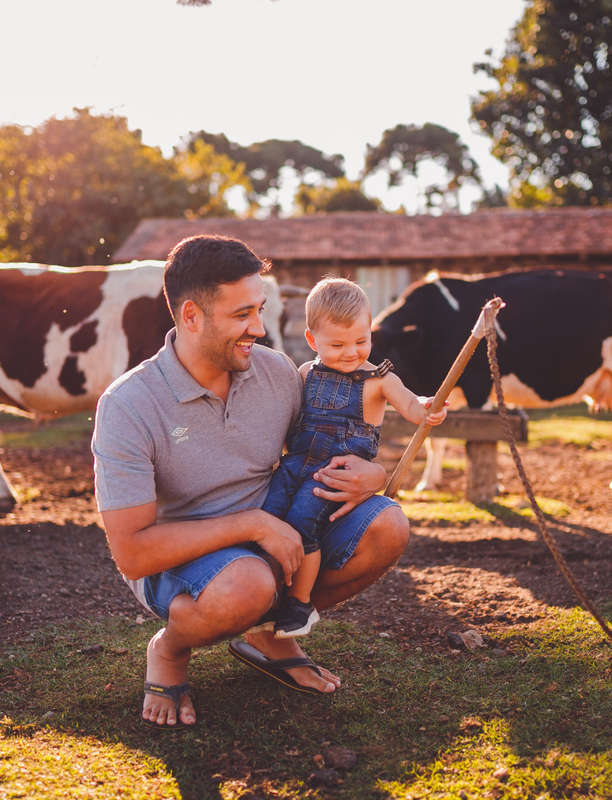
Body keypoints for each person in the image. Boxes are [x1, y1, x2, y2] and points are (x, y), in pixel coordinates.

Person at [92, 235, 411, 730]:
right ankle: (171, 649)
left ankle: (269, 634)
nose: (259, 329)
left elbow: (319, 447)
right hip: (185, 561)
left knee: (387, 525)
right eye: (243, 315)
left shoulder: (280, 373)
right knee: (247, 582)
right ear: (192, 316)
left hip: (280, 531)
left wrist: (372, 474)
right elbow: (133, 554)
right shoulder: (128, 405)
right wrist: (253, 525)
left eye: (259, 310)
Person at [255, 278, 446, 638]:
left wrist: (425, 407)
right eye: (337, 344)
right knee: (269, 513)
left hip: (333, 475)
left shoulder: (378, 379)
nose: (351, 352)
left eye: (361, 341)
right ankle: (263, 589)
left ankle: (299, 603)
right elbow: (290, 420)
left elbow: (408, 401)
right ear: (313, 341)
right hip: (295, 464)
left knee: (301, 523)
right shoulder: (306, 373)